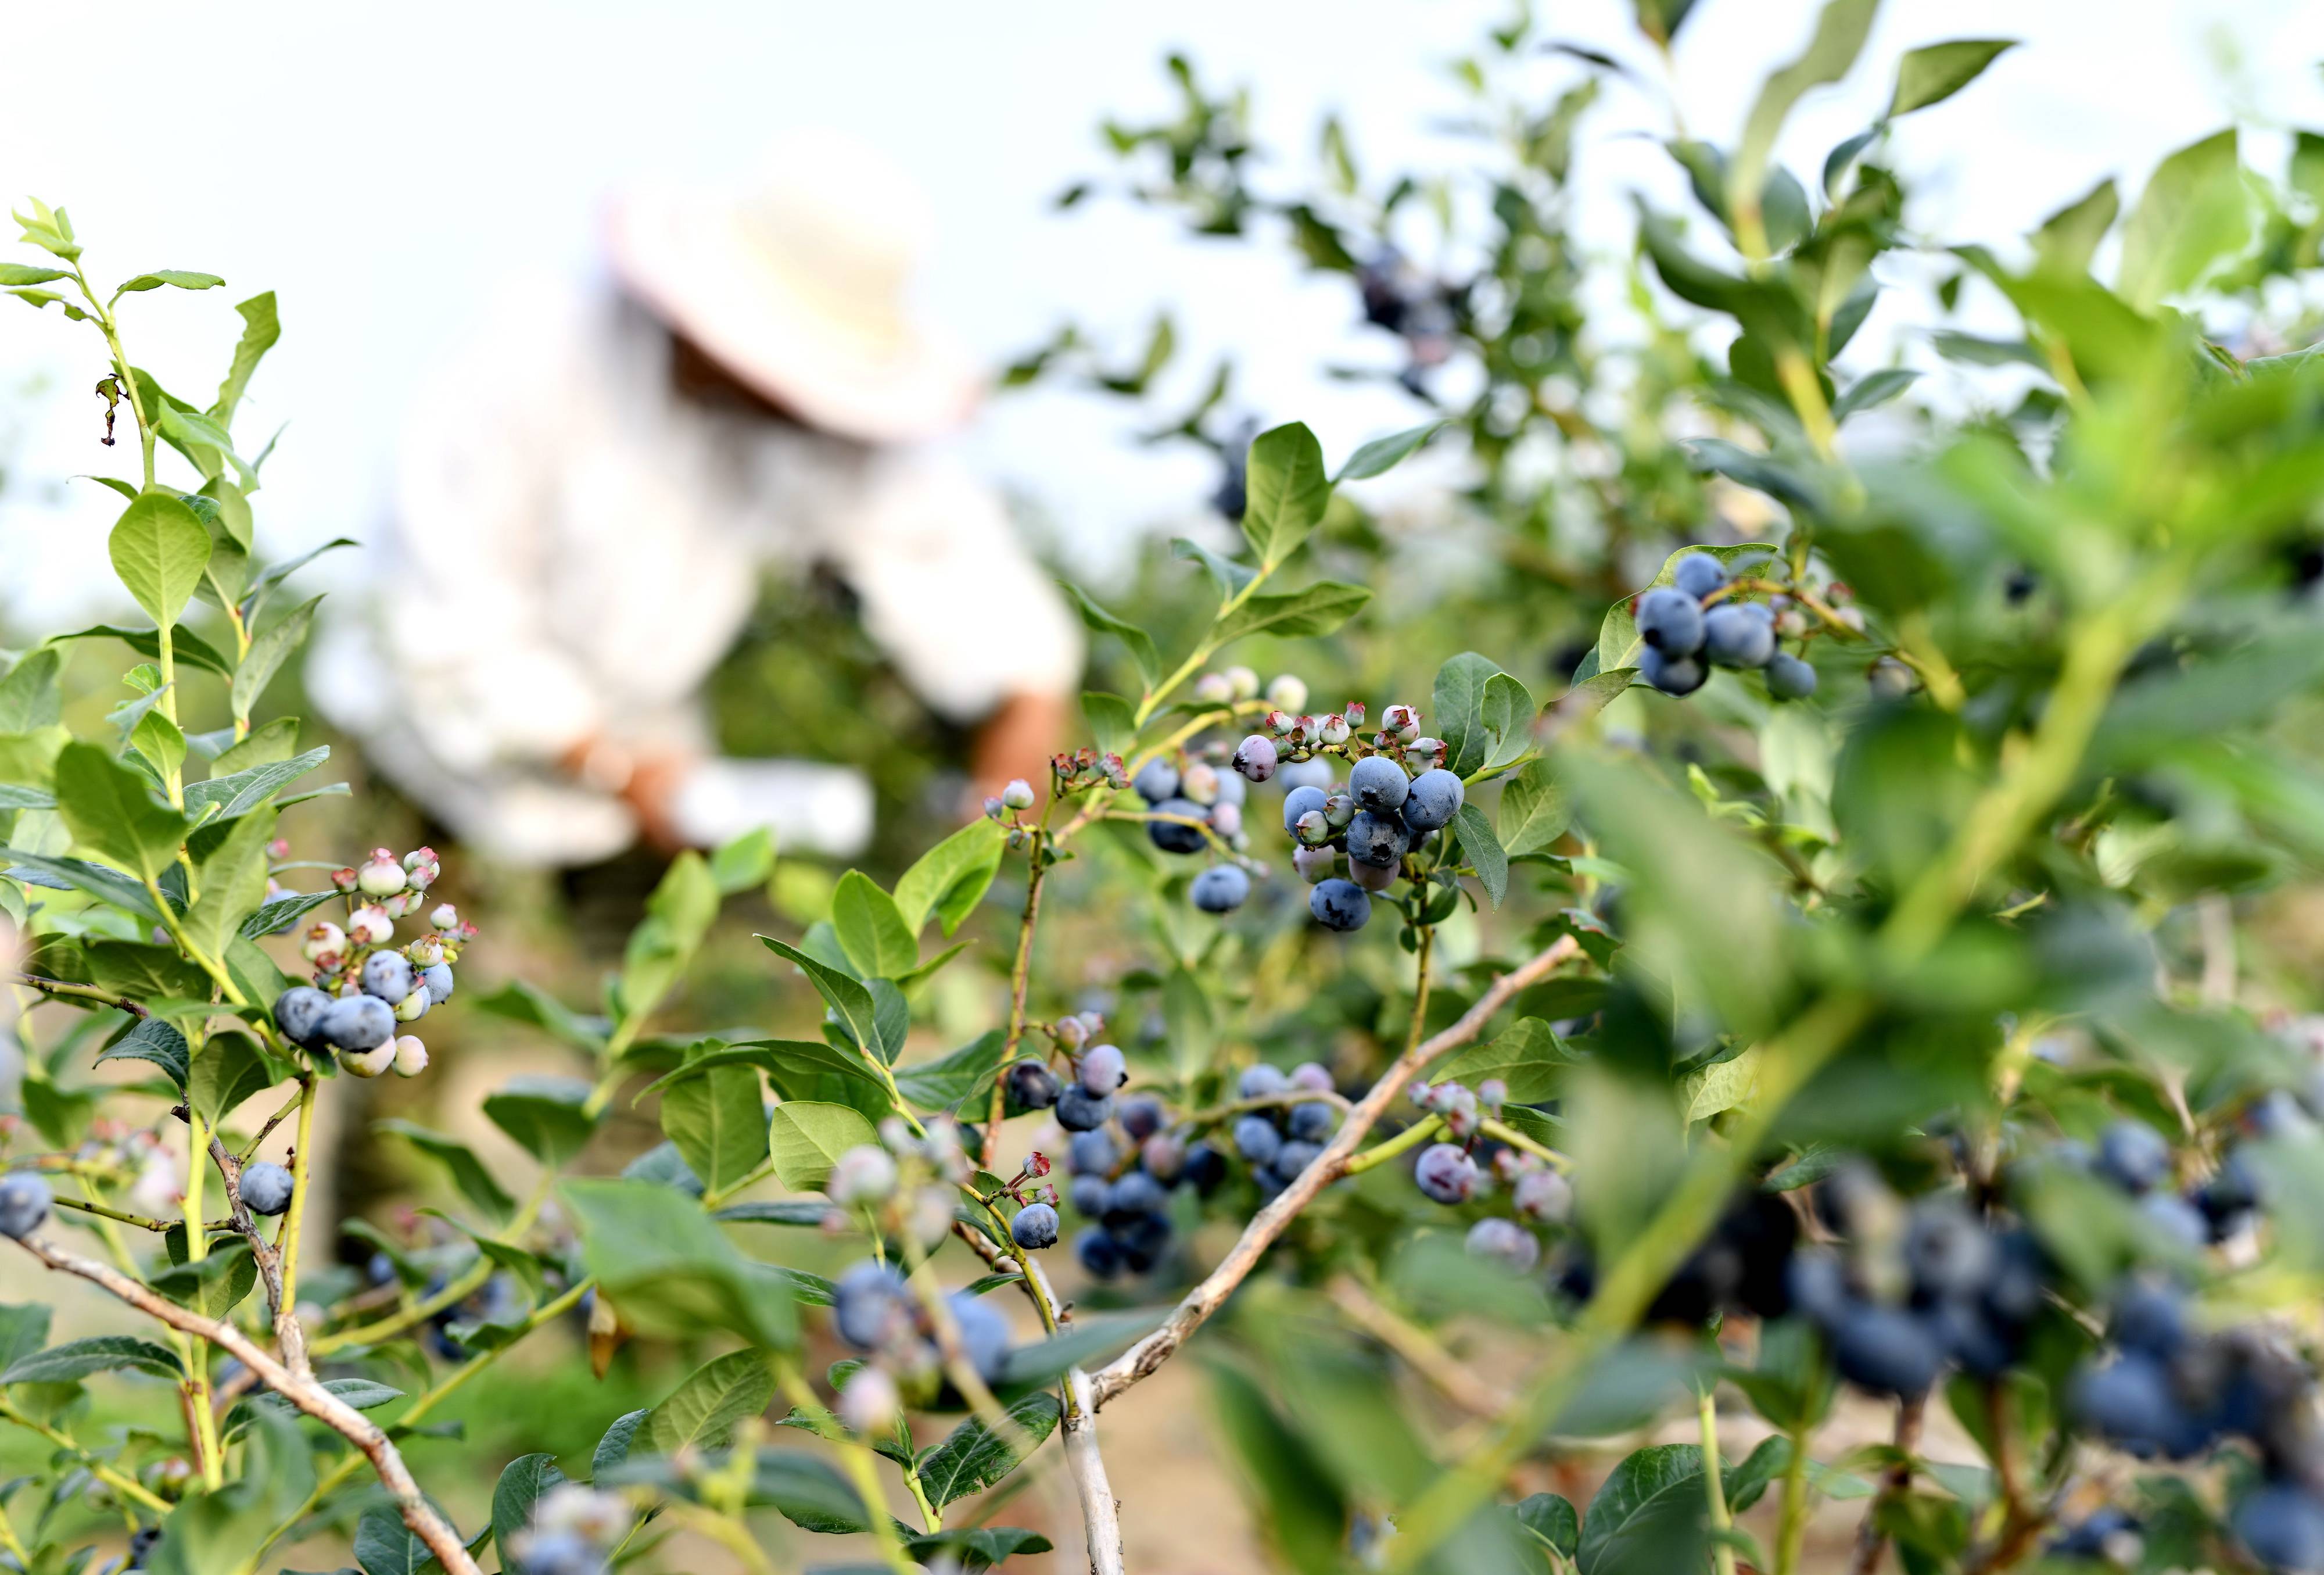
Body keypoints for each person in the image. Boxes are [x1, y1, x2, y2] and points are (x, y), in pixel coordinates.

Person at [311, 130, 1082, 867]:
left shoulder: (805, 427)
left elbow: (951, 564)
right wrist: (611, 765)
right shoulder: (536, 358)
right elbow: (446, 628)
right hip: (423, 789)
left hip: (639, 812)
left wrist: (1026, 710)